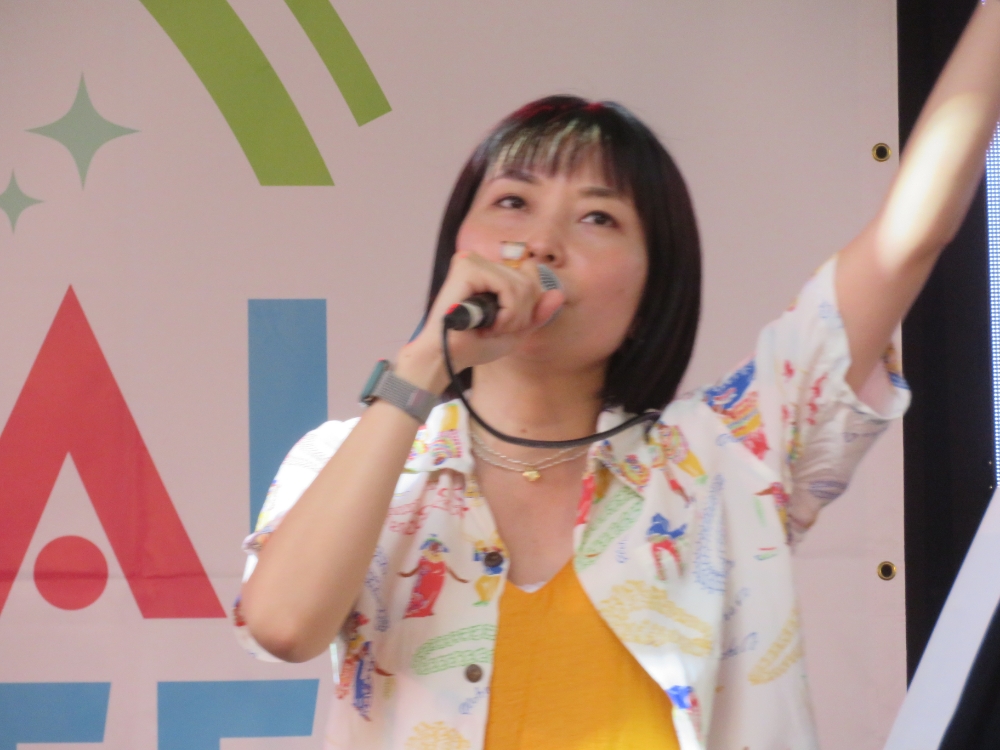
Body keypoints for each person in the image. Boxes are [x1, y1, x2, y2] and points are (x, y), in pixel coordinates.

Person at [235, 4, 1000, 748]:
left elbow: (910, 235)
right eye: (512, 202)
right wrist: (422, 365)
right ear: (458, 246)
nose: (542, 241)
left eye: (597, 217)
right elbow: (283, 625)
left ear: (649, 291)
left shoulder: (728, 455)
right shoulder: (353, 459)